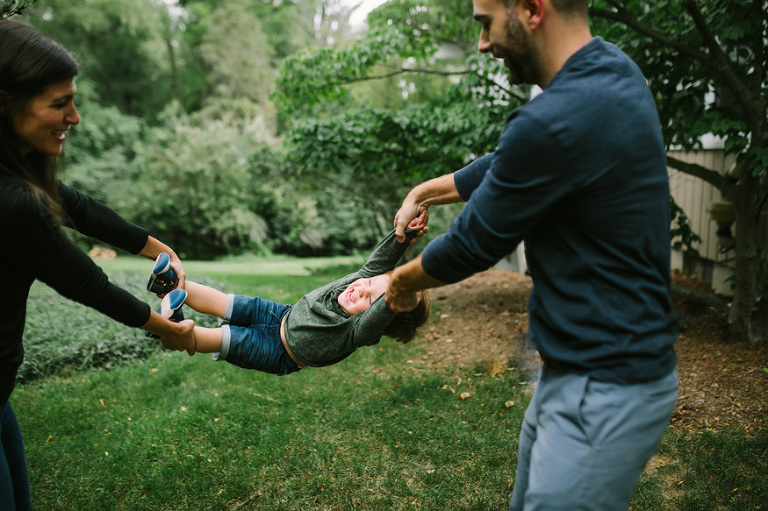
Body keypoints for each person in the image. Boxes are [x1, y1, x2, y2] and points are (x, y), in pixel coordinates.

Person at [386, 1, 679, 510]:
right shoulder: (613, 71)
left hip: (604, 386)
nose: (483, 43)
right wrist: (423, 192)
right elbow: (511, 162)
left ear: (531, 9)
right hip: (582, 373)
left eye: (485, 23)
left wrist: (400, 283)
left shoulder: (555, 116)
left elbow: (472, 244)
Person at [0, 20, 194, 511]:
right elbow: (87, 283)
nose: (76, 117)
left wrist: (161, 249)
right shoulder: (13, 201)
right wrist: (167, 329)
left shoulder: (18, 166)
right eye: (60, 104)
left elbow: (81, 209)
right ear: (4, 103)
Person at [159, 223, 432, 375]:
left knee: (225, 338)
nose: (362, 289)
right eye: (370, 283)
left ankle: (174, 331)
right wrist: (406, 233)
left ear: (378, 319)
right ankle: (172, 284)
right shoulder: (358, 280)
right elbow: (380, 260)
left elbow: (385, 305)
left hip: (276, 352)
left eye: (371, 300)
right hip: (279, 314)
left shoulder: (359, 331)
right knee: (227, 302)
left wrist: (399, 296)